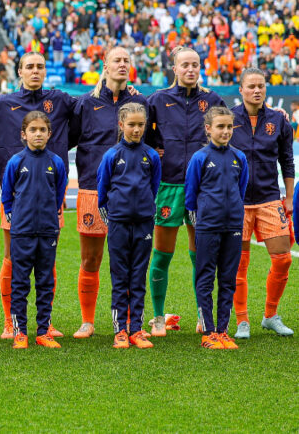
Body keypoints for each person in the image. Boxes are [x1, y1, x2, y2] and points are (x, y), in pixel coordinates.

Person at [0, 51, 74, 339]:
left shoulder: (60, 100)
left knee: (47, 261)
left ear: (45, 72)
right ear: (19, 71)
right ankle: (11, 322)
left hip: (48, 196)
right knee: (11, 258)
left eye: (40, 67)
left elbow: (92, 112)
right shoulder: (2, 104)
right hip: (18, 201)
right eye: (29, 67)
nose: (35, 71)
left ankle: (46, 323)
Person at [145, 47, 225, 337]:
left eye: (195, 65)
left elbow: (229, 129)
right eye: (184, 65)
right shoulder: (157, 100)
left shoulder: (213, 100)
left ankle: (204, 315)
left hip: (204, 188)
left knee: (200, 254)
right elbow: (142, 133)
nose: (190, 69)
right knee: (162, 253)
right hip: (167, 186)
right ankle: (156, 317)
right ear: (174, 69)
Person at [68, 47, 147, 339]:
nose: (123, 64)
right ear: (105, 65)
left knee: (129, 260)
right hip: (91, 189)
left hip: (131, 194)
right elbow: (66, 139)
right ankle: (88, 321)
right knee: (91, 260)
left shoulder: (140, 102)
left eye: (127, 60)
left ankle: (128, 324)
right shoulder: (85, 104)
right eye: (117, 60)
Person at [228, 68, 295, 339]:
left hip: (269, 198)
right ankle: (242, 320)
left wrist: (288, 198)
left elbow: (287, 162)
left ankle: (270, 315)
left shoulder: (279, 121)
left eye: (261, 86)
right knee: (239, 264)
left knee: (283, 259)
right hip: (237, 202)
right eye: (251, 86)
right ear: (241, 89)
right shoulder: (229, 119)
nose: (257, 90)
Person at [1, 112, 68, 349]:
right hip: (22, 232)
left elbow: (58, 195)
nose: (38, 134)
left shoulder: (56, 162)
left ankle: (43, 331)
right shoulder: (16, 162)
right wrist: (17, 220)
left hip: (48, 232)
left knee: (45, 282)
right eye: (33, 130)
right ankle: (20, 333)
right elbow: (7, 196)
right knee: (20, 283)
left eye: (42, 130)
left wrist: (50, 219)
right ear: (24, 134)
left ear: (49, 134)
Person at [96, 103, 160, 349]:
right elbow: (103, 192)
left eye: (140, 125)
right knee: (120, 276)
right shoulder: (112, 155)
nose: (136, 129)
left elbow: (153, 187)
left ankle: (137, 329)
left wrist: (144, 210)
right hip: (119, 223)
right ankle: (120, 329)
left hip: (143, 223)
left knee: (138, 277)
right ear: (121, 125)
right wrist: (113, 218)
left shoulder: (151, 155)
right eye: (131, 124)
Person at [185, 106, 248, 350]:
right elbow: (191, 195)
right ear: (208, 129)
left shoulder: (238, 158)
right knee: (205, 278)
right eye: (220, 126)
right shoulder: (200, 158)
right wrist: (199, 220)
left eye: (229, 127)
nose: (225, 131)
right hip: (207, 226)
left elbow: (240, 191)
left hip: (232, 225)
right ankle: (208, 331)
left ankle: (223, 331)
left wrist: (234, 214)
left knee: (228, 279)